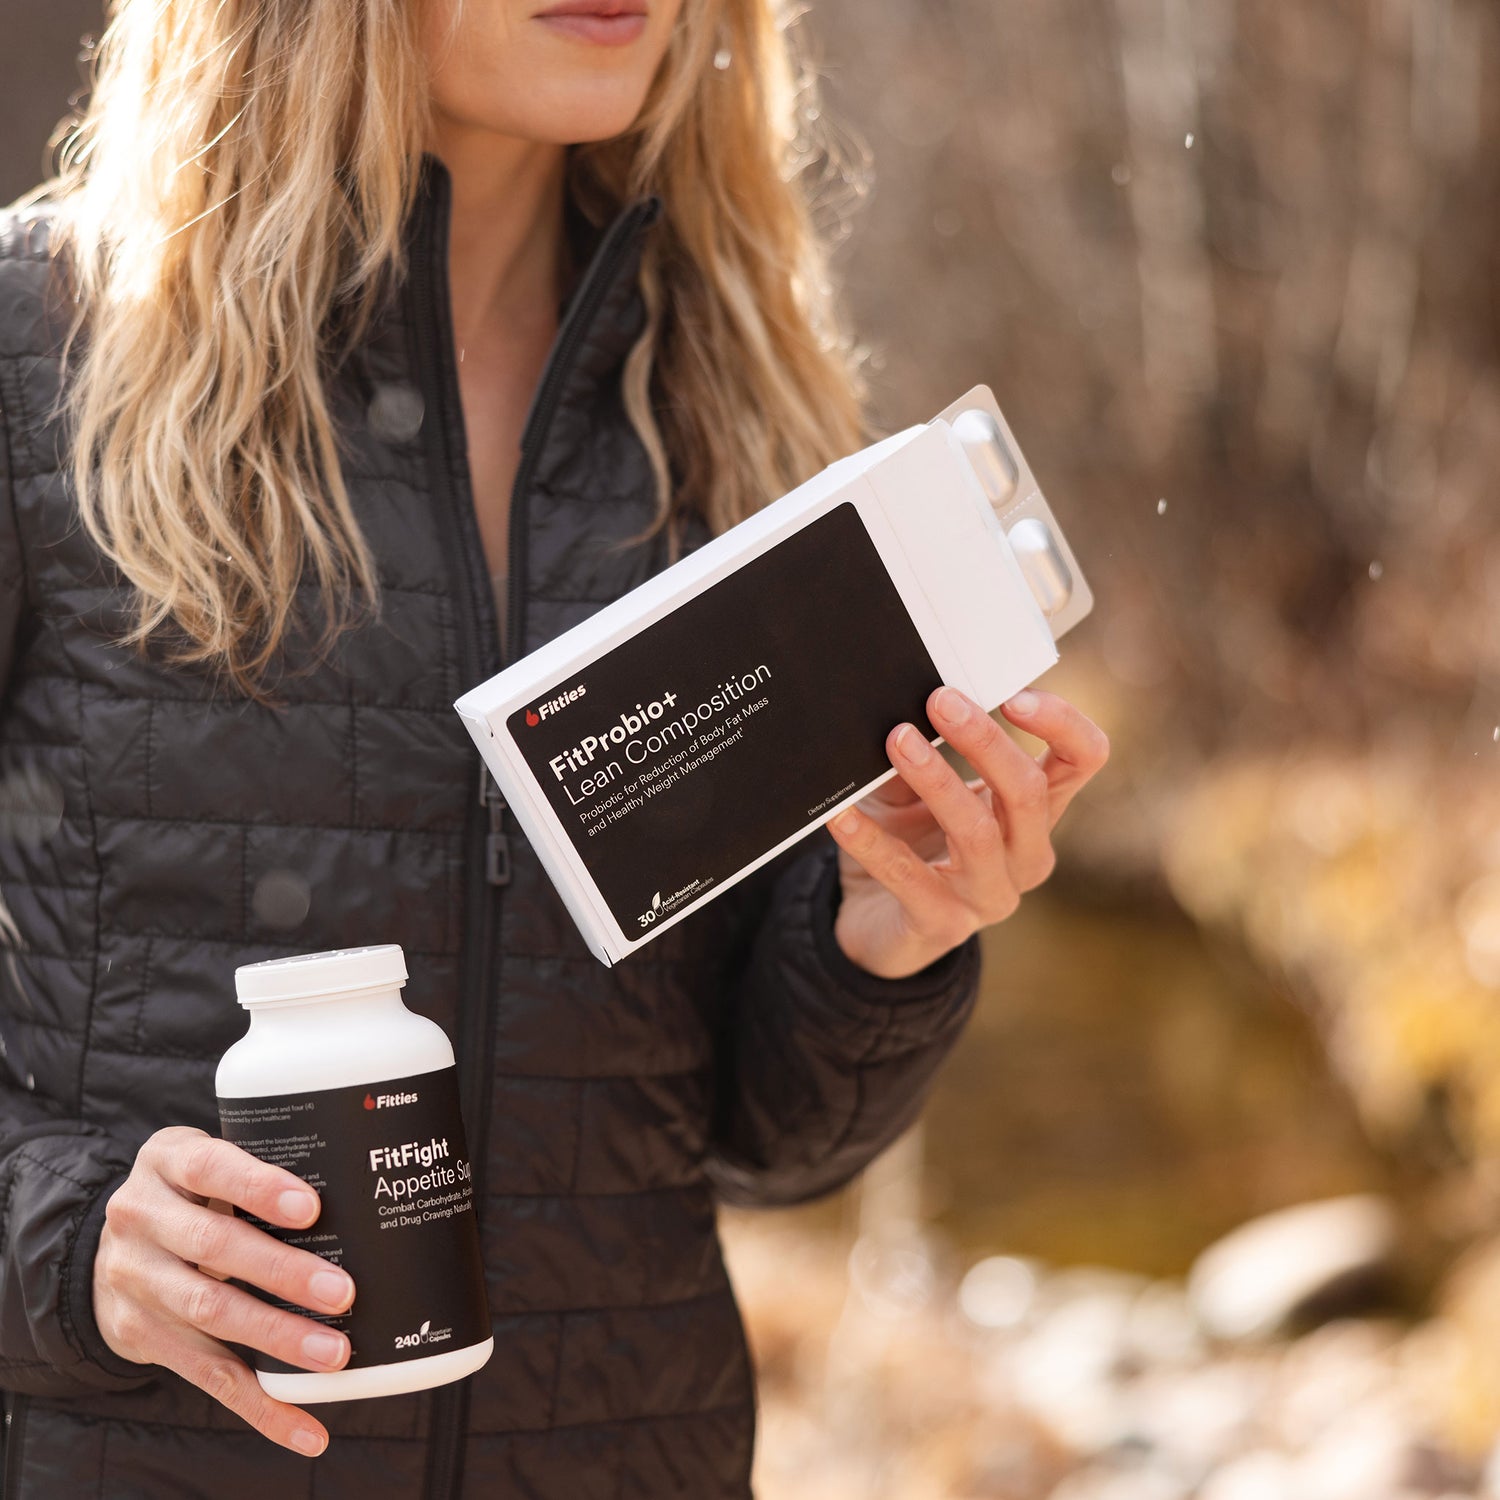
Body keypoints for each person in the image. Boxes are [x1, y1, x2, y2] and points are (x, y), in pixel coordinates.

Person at [0, 0, 1109, 1494]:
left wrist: (878, 951)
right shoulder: (41, 358)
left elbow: (761, 1144)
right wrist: (69, 1243)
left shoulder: (742, 407)